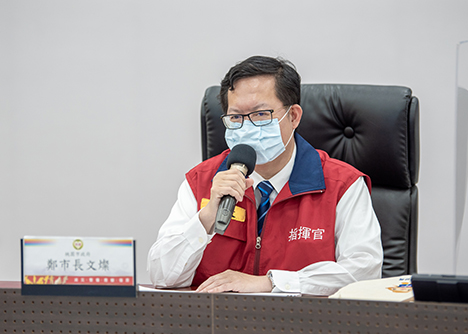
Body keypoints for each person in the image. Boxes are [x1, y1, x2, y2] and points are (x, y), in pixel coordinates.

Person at [147, 55, 383, 295]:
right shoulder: (201, 181)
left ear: (293, 117)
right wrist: (205, 218)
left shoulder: (342, 184)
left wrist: (270, 283)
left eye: (261, 115)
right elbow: (161, 277)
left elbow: (364, 272)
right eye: (236, 117)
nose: (247, 127)